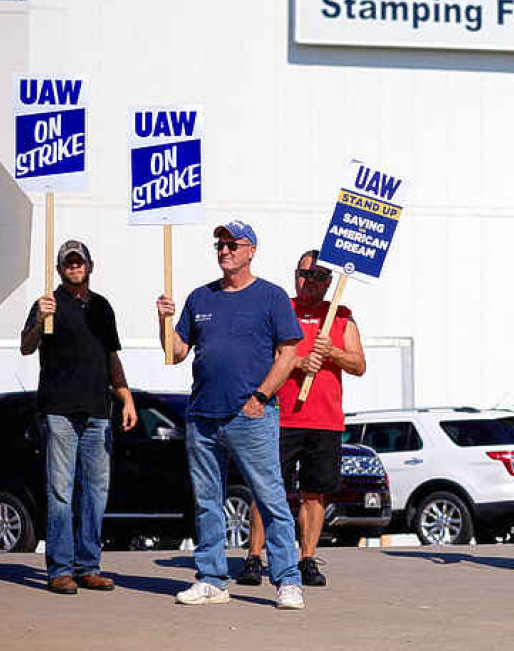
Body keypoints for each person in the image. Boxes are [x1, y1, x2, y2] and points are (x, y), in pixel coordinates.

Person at [156, 220, 306, 610]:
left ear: (251, 250)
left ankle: (288, 580)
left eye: (232, 244)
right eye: (219, 244)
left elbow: (289, 354)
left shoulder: (271, 297)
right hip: (203, 416)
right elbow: (174, 353)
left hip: (251, 416)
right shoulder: (200, 298)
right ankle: (211, 579)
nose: (224, 250)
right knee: (207, 500)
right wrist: (164, 320)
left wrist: (260, 396)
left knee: (270, 498)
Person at [237, 249, 366, 588]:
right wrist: (298, 362)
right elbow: (260, 358)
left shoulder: (340, 315)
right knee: (266, 490)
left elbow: (359, 365)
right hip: (280, 417)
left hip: (324, 420)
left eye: (320, 276)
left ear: (329, 282)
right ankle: (253, 556)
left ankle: (306, 558)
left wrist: (331, 351)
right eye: (305, 274)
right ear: (296, 275)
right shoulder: (282, 309)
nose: (311, 282)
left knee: (315, 493)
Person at [20, 240, 137, 595]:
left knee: (96, 492)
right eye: (67, 263)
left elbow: (111, 357)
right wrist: (40, 320)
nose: (74, 267)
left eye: (79, 262)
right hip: (58, 411)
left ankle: (88, 565)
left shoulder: (102, 307)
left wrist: (126, 397)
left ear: (90, 265)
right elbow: (26, 346)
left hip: (98, 411)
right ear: (58, 269)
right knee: (60, 490)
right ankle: (59, 568)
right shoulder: (48, 304)